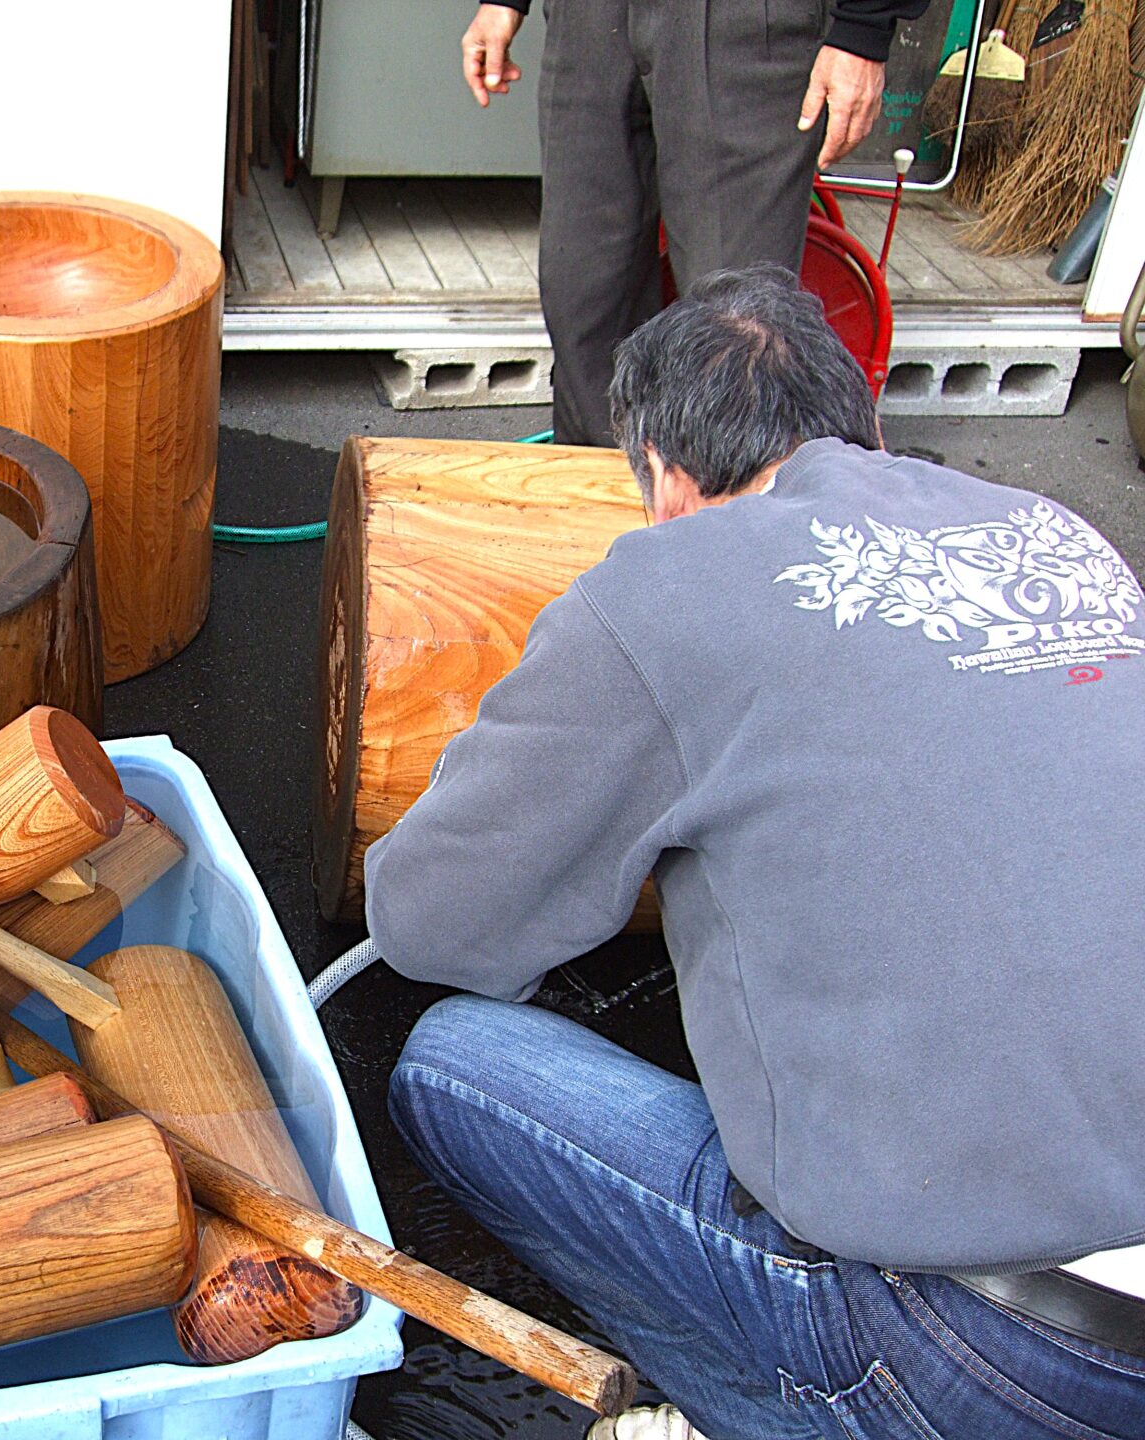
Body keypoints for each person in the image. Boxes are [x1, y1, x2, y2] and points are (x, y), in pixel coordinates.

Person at [366, 266, 1145, 1440]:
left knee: (451, 1064)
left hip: (983, 1352)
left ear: (667, 481)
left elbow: (430, 923)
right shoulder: (1061, 535)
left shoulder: (665, 585)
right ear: (867, 429)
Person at [459, 0, 927, 448]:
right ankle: (603, 505)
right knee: (584, 296)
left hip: (740, 24)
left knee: (739, 326)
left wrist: (863, 30)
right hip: (589, 18)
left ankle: (727, 515)